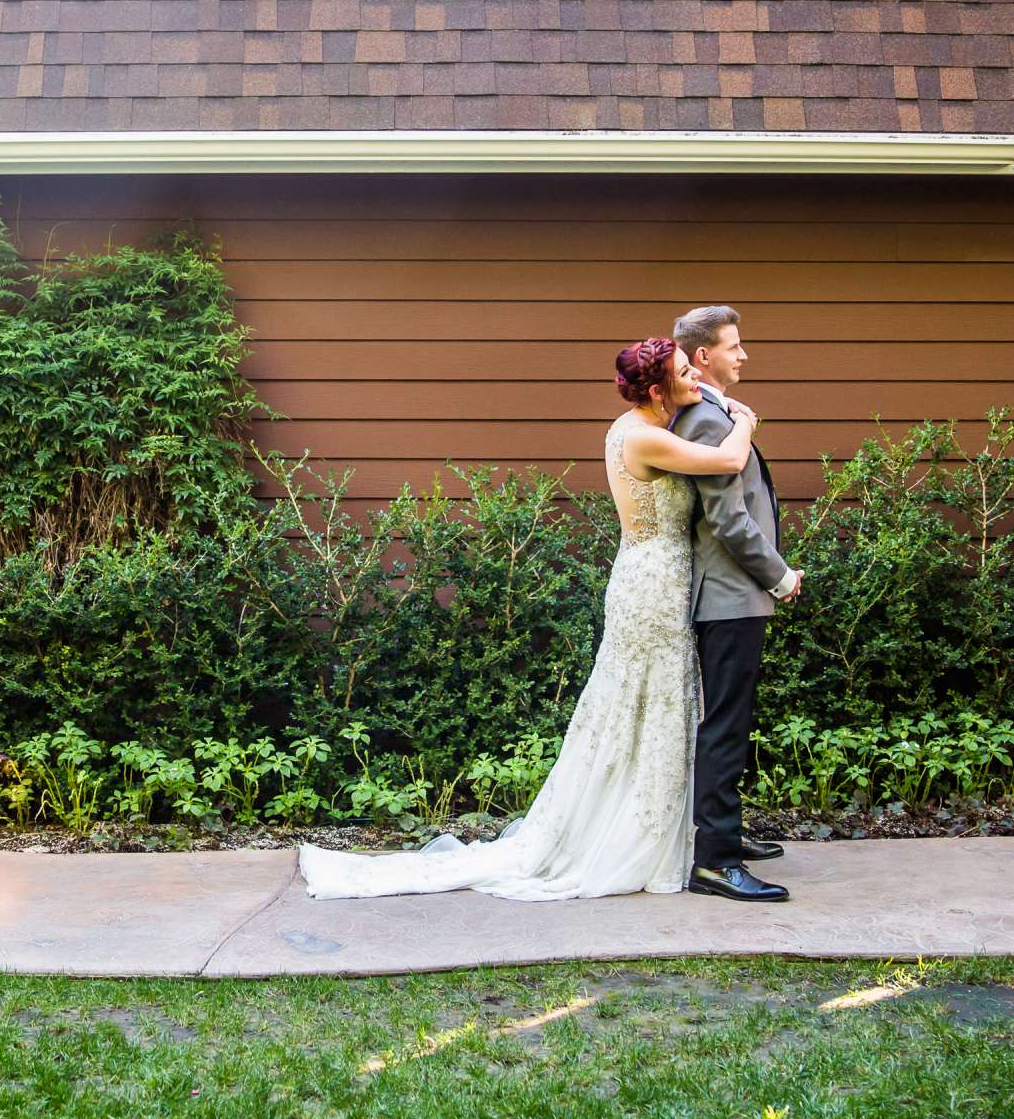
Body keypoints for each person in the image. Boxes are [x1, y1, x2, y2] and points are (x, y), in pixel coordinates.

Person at [296, 336, 757, 901]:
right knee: (651, 702)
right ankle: (632, 836)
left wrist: (714, 398)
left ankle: (650, 825)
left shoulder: (629, 427)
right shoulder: (645, 438)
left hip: (648, 575)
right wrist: (745, 418)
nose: (697, 380)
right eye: (686, 373)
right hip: (655, 584)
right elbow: (731, 459)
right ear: (659, 390)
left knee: (642, 705)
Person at [672, 304, 799, 903]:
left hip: (735, 595)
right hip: (728, 596)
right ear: (703, 357)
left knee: (734, 720)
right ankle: (715, 861)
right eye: (733, 346)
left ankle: (728, 834)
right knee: (725, 725)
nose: (744, 355)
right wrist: (778, 576)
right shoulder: (703, 419)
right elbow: (728, 519)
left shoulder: (719, 412)